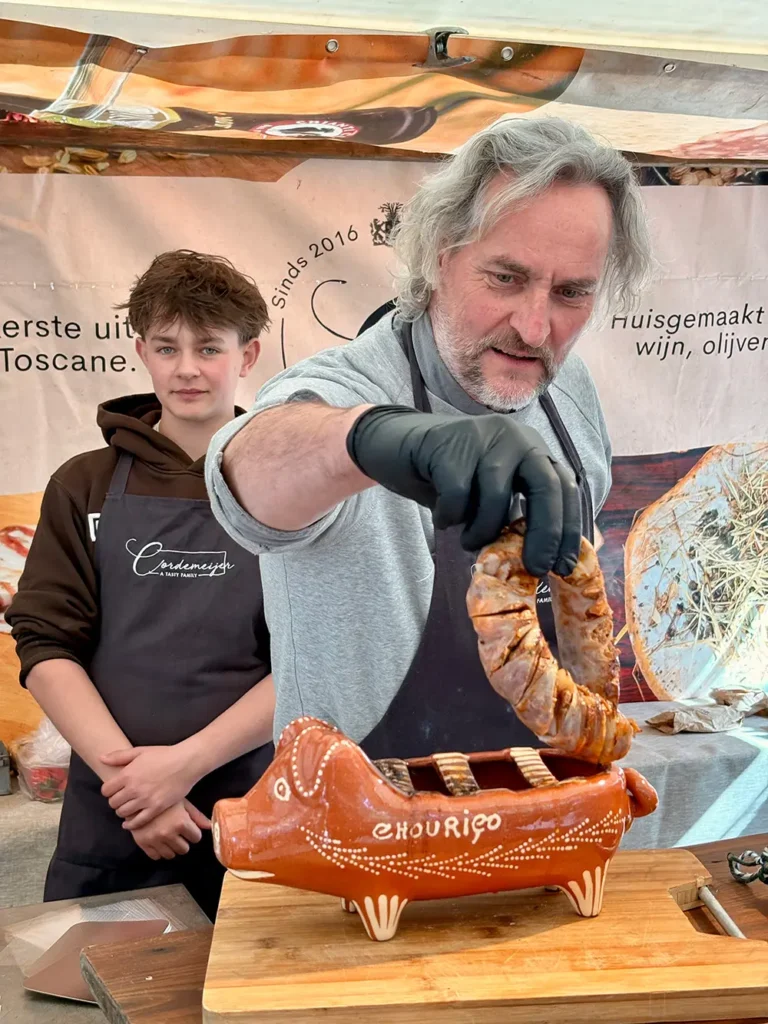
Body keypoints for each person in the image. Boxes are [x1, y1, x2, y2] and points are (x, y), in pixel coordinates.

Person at [205, 117, 654, 761]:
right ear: (441, 255)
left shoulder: (569, 391)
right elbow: (244, 475)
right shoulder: (347, 384)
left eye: (571, 292)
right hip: (365, 830)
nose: (534, 327)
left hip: (545, 818)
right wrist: (371, 441)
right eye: (505, 277)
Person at [7, 250, 274, 919]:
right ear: (141, 351)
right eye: (167, 347)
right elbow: (45, 644)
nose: (186, 368)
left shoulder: (284, 485)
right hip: (113, 809)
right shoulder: (84, 483)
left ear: (247, 356)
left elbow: (311, 655)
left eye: (209, 347)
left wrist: (182, 766)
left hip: (252, 805)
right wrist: (133, 787)